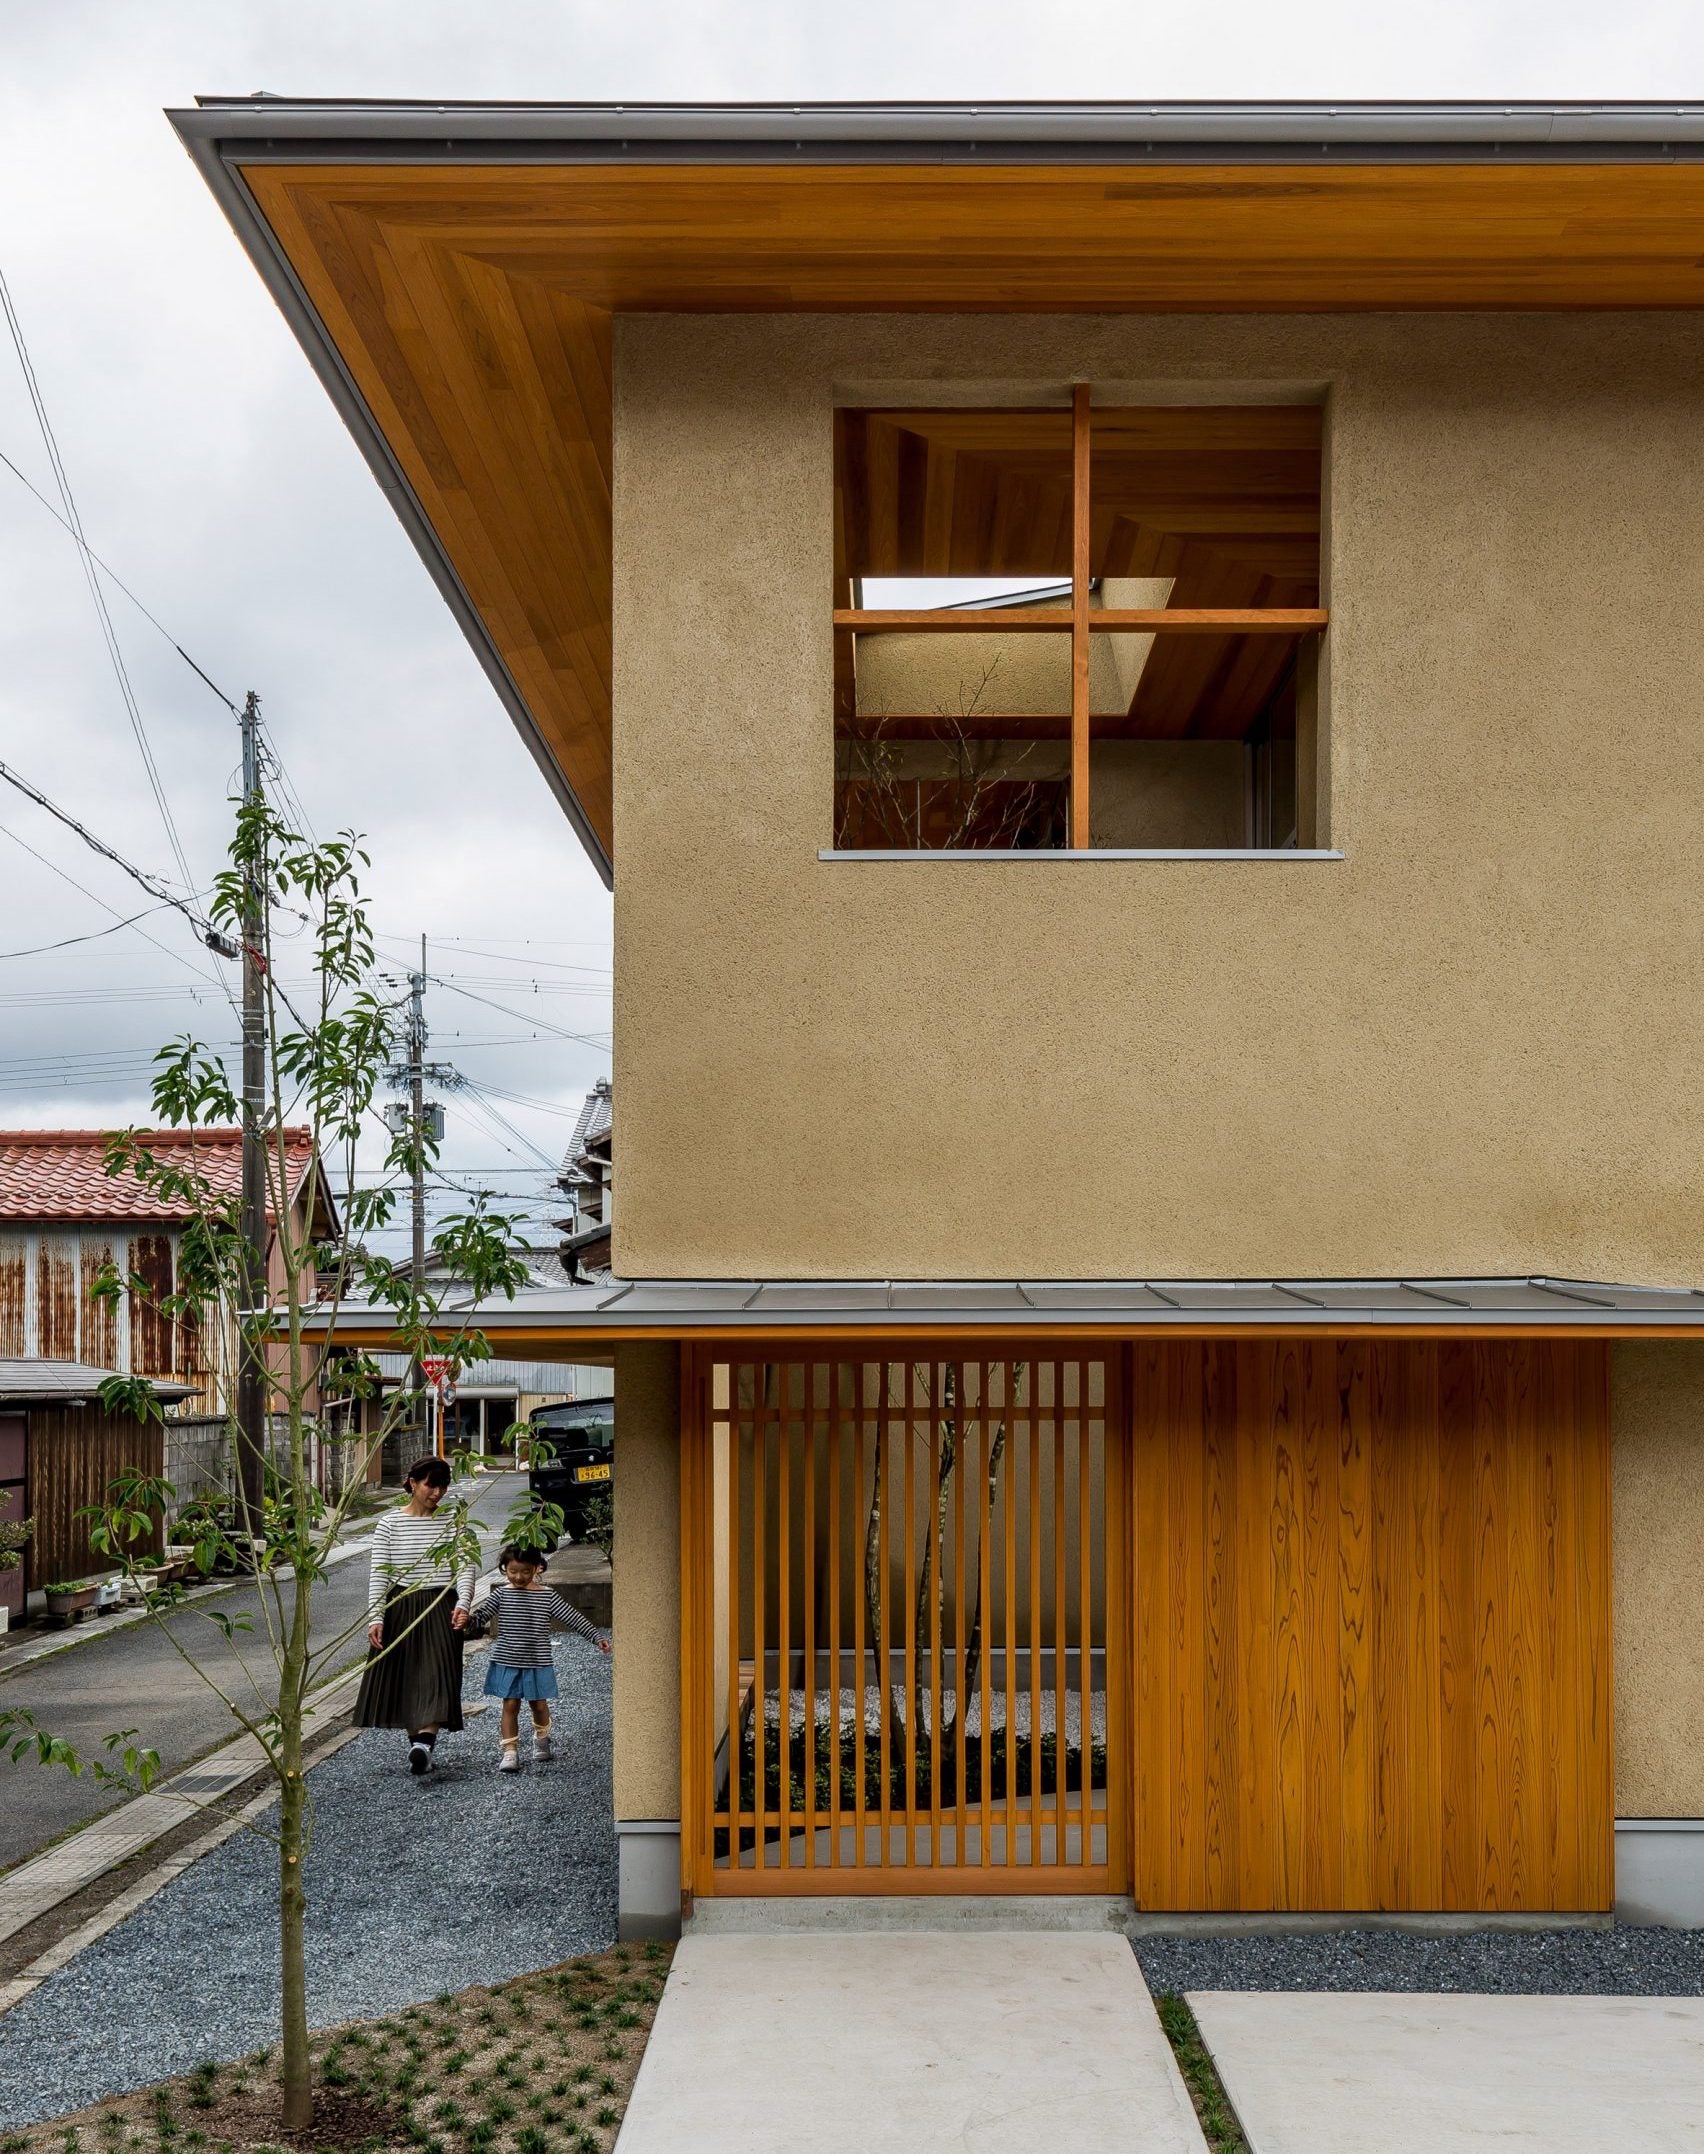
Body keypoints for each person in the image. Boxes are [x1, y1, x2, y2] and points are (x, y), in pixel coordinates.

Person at [353, 1456, 477, 1775]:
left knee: (436, 1675)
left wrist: (464, 1602)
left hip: (441, 1605)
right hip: (402, 1604)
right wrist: (376, 1617)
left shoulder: (452, 1520)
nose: (437, 1493)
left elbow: (464, 1565)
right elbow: (379, 1574)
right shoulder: (389, 1524)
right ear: (412, 1482)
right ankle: (419, 1748)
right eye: (430, 1485)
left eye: (443, 1486)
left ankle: (423, 1745)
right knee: (407, 1678)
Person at [468, 1542, 610, 1771]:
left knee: (539, 1704)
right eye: (513, 1571)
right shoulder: (501, 1594)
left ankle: (541, 1738)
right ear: (504, 1569)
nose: (519, 1576)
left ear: (537, 1568)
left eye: (525, 1571)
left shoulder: (546, 1596)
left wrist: (595, 1636)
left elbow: (572, 1617)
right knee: (510, 1705)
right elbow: (480, 1616)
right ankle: (510, 1751)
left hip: (537, 1661)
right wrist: (465, 1619)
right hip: (507, 1659)